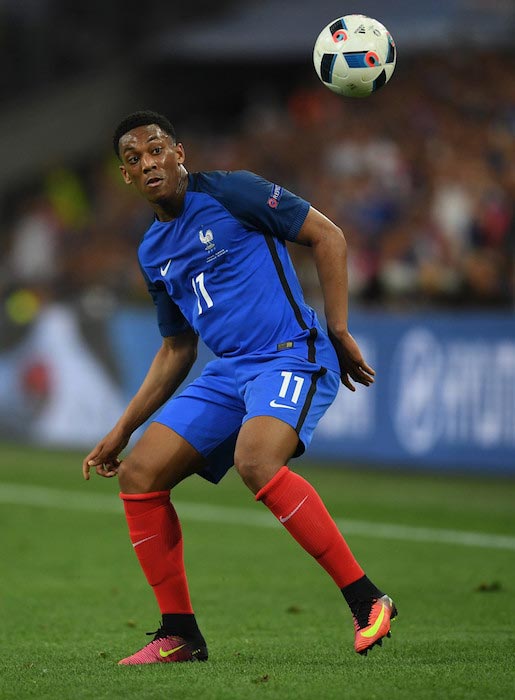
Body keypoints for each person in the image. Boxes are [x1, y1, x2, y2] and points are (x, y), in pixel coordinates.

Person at [82, 110, 397, 665]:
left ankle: (367, 600)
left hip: (288, 354)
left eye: (156, 150)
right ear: (126, 177)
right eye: (134, 160)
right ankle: (179, 634)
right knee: (138, 473)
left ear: (179, 152)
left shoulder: (235, 193)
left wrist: (339, 329)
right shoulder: (152, 252)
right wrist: (120, 430)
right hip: (227, 371)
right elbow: (177, 350)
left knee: (257, 461)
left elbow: (329, 236)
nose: (148, 163)